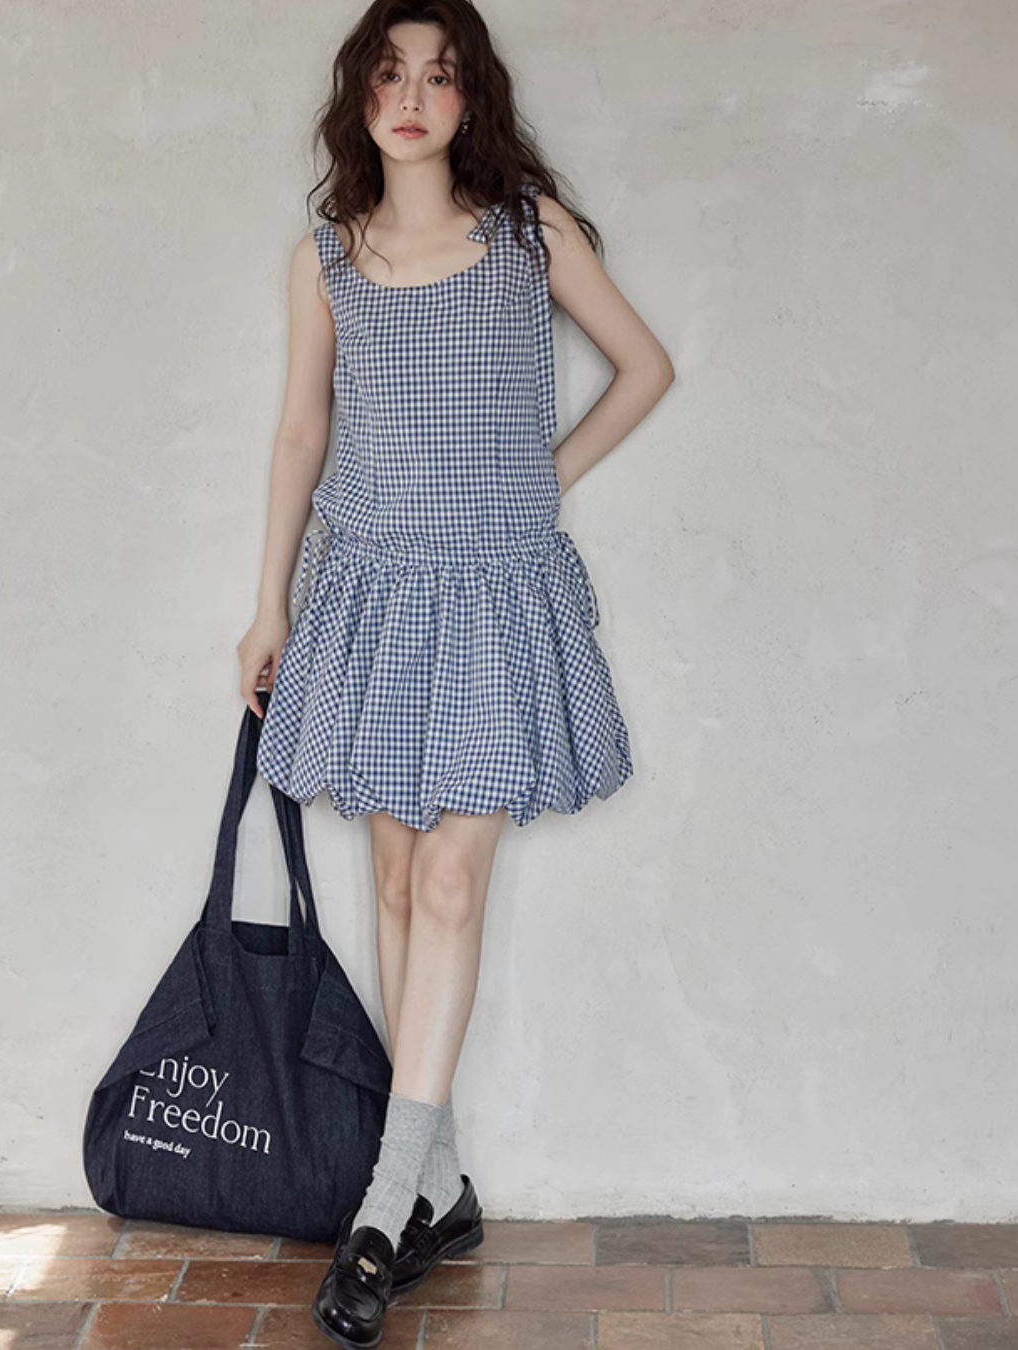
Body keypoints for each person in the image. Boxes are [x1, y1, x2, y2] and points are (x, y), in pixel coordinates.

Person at [236, 2, 674, 1345]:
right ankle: (443, 1187)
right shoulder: (327, 256)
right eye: (390, 74)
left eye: (438, 76)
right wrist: (268, 606)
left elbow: (644, 367)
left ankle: (383, 1212)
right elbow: (301, 432)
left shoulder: (531, 234)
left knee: (448, 879)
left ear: (471, 96)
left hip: (492, 599)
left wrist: (541, 479)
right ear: (360, 98)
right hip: (368, 599)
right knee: (390, 882)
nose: (413, 97)